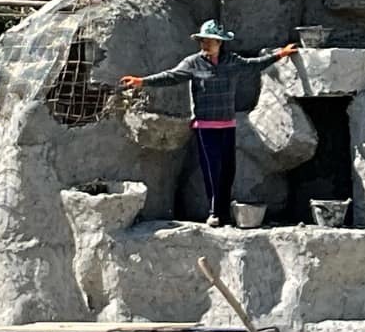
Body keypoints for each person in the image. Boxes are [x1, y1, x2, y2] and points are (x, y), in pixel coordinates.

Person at [120, 22, 299, 227]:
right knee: (212, 170)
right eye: (202, 40)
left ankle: (222, 214)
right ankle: (214, 213)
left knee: (227, 171)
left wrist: (280, 55)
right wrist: (141, 81)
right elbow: (171, 76)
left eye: (208, 40)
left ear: (219, 43)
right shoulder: (193, 63)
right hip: (205, 127)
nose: (204, 44)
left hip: (227, 125)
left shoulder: (232, 61)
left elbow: (254, 64)